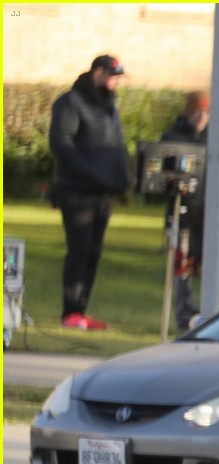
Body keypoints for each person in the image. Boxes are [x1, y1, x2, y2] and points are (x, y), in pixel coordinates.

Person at [49, 54, 131, 330]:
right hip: (77, 191)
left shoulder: (109, 106)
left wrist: (122, 180)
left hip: (102, 193)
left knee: (94, 252)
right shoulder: (72, 102)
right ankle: (69, 311)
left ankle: (81, 311)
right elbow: (61, 141)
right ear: (98, 73)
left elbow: (115, 145)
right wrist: (88, 172)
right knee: (79, 249)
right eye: (113, 75)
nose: (117, 81)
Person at [160, 90, 209, 331]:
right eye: (197, 111)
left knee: (204, 263)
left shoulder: (215, 138)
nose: (201, 117)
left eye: (206, 112)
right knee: (181, 264)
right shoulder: (173, 137)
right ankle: (184, 313)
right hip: (182, 212)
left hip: (207, 214)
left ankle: (208, 311)